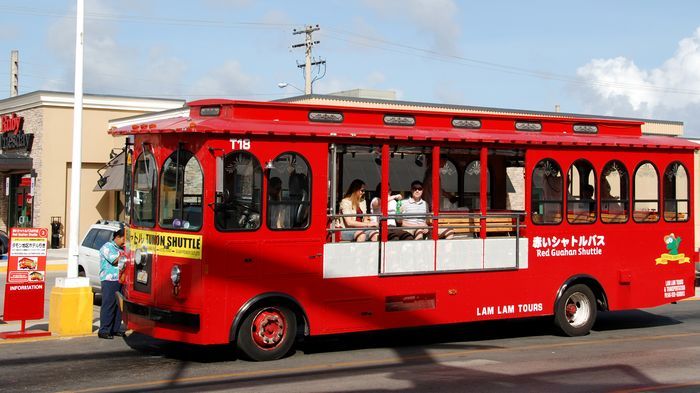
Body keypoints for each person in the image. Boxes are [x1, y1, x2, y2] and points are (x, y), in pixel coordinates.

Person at [98, 225, 127, 339]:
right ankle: (104, 330)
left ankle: (115, 329)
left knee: (119, 306)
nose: (125, 242)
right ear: (118, 237)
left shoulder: (122, 249)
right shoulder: (107, 247)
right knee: (108, 304)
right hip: (109, 280)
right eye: (124, 239)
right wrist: (126, 254)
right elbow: (115, 261)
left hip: (121, 279)